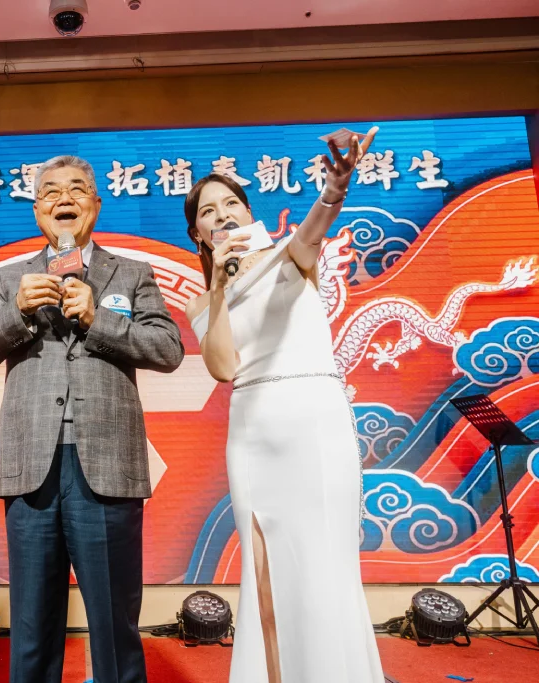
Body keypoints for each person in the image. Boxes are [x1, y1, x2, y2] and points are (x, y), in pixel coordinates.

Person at [0, 155, 184, 683]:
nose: (65, 198)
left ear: (95, 205)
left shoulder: (131, 273)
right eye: (52, 191)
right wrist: (16, 312)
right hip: (31, 466)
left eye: (78, 189)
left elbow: (168, 349)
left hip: (107, 466)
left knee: (113, 622)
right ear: (38, 209)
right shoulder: (9, 278)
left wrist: (98, 318)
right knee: (32, 625)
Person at [185, 129, 385, 683]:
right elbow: (223, 367)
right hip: (252, 434)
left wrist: (335, 189)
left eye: (231, 203)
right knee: (265, 574)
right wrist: (219, 288)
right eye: (208, 211)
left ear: (248, 212)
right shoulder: (203, 300)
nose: (222, 214)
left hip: (315, 423)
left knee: (324, 568)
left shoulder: (290, 254)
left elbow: (315, 228)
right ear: (198, 233)